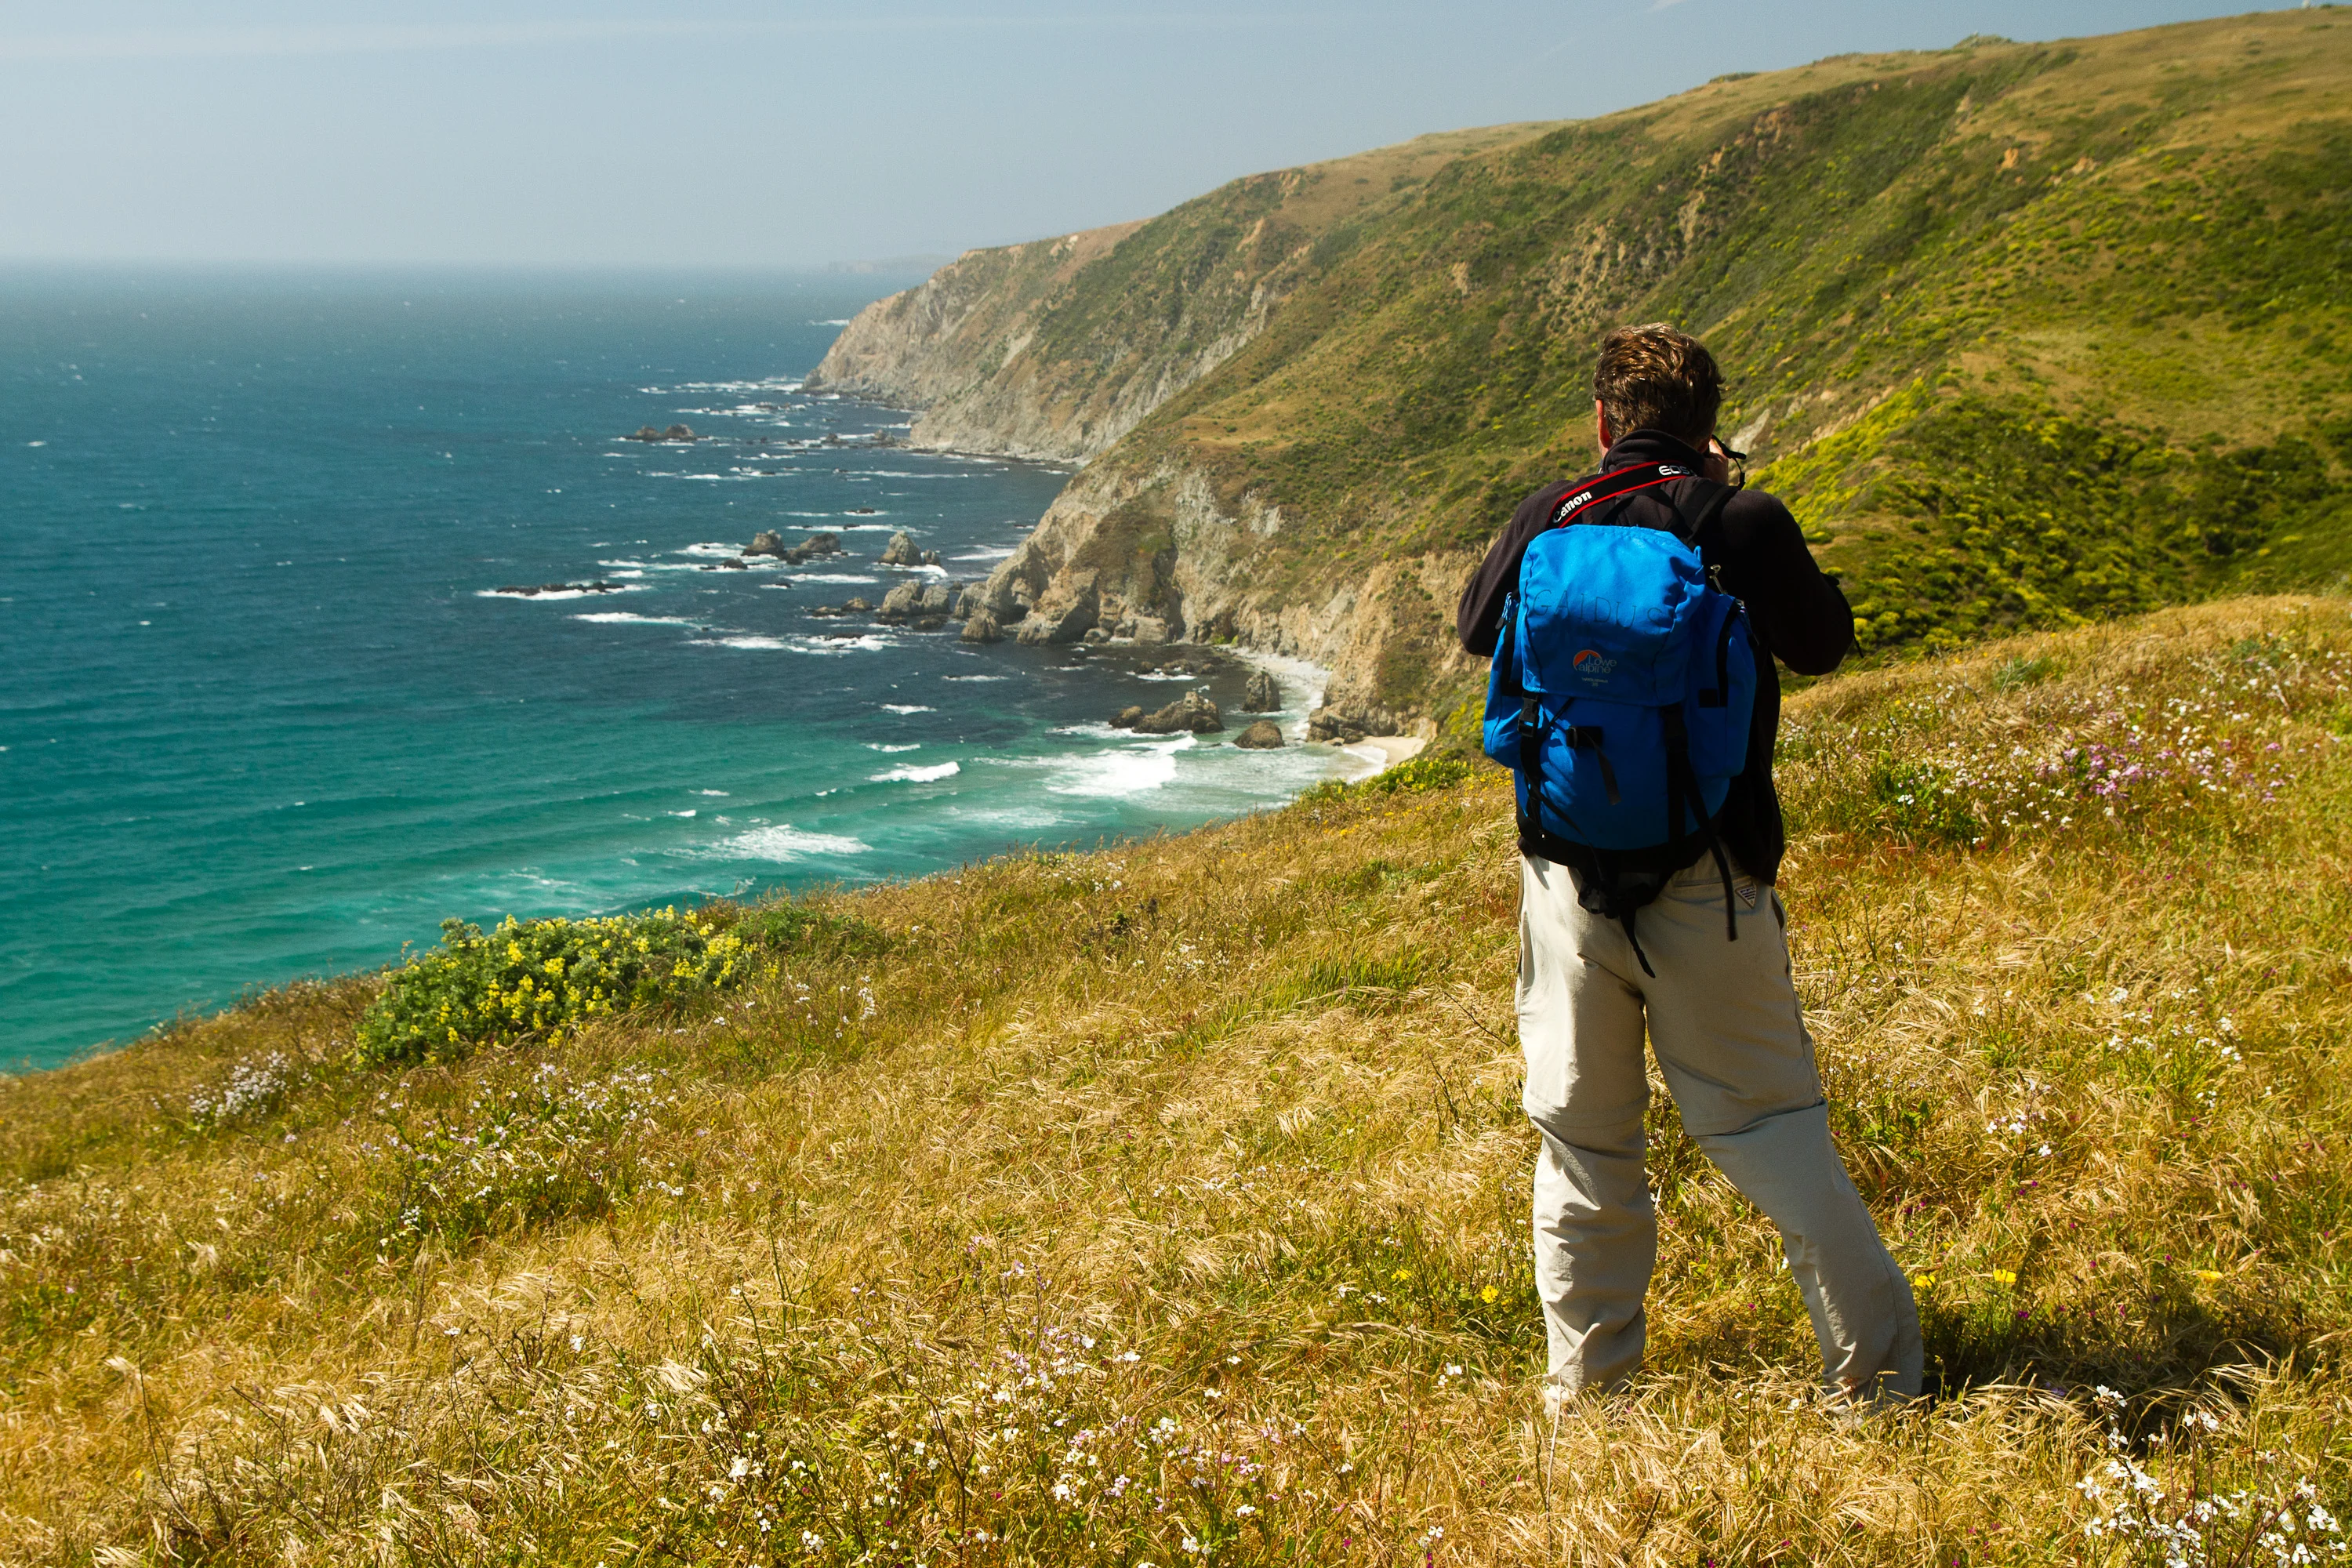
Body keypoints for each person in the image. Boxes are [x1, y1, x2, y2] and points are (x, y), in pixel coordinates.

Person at [1455, 322, 1921, 1404]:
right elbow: (1821, 644)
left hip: (1567, 886)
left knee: (1582, 1143)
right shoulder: (1738, 519)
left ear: (1604, 421)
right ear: (1710, 425)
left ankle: (1589, 1396)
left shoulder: (1548, 516)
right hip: (1709, 881)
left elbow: (1481, 632)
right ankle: (1880, 1381)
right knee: (1769, 1128)